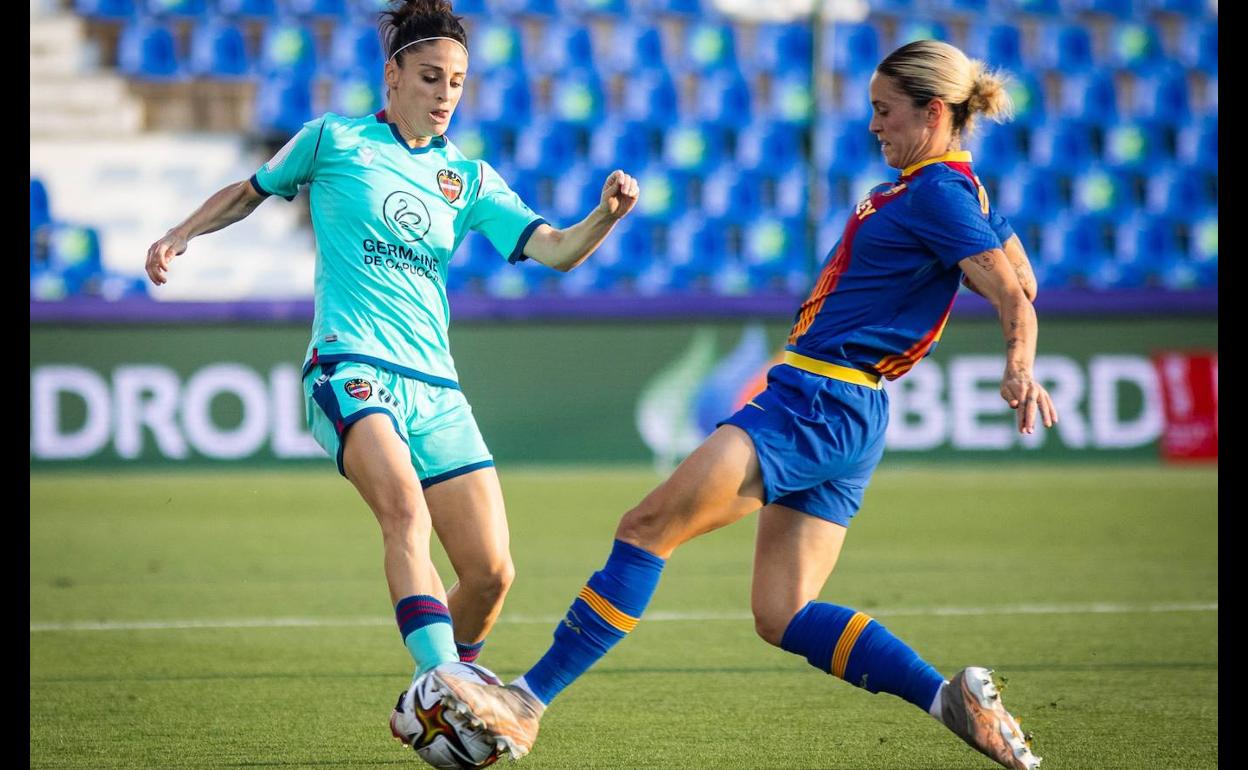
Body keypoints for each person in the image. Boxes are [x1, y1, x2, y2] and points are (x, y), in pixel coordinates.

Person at [431, 39, 1054, 770]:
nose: (874, 126)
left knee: (647, 527)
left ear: (934, 111)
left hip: (815, 398)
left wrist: (1019, 363)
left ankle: (526, 701)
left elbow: (1014, 296)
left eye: (885, 112)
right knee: (782, 612)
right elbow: (1026, 279)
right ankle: (945, 698)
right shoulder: (961, 191)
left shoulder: (939, 194)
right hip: (853, 412)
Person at [142, 0, 639, 745]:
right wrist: (180, 233)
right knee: (404, 512)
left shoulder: (467, 179)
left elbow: (559, 250)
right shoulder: (333, 139)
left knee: (491, 574)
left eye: (459, 83)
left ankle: (448, 702)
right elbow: (250, 191)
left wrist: (605, 216)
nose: (445, 95)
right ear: (394, 74)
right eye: (432, 77)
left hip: (435, 387)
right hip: (349, 365)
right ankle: (442, 684)